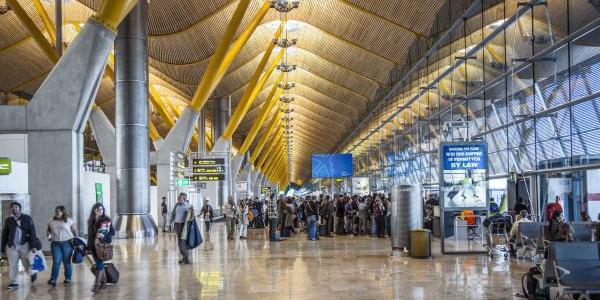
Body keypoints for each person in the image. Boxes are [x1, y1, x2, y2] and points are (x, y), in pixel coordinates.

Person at [1, 201, 41, 290]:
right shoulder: (8, 220)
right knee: (13, 264)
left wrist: (33, 245)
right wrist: (2, 247)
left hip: (24, 245)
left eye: (16, 207)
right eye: (12, 207)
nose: (14, 209)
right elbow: (4, 234)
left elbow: (32, 232)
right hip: (12, 246)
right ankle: (13, 282)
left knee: (26, 262)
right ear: (11, 209)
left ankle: (32, 273)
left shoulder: (27, 218)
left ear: (20, 208)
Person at [46, 205, 78, 287]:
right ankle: (53, 279)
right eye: (56, 210)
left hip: (67, 243)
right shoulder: (51, 220)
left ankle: (68, 278)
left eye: (59, 211)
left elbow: (74, 231)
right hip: (55, 243)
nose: (57, 212)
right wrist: (49, 236)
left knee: (66, 262)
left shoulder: (69, 220)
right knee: (56, 261)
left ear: (63, 212)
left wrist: (76, 241)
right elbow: (48, 231)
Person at [87, 203, 115, 293]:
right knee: (99, 264)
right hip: (93, 245)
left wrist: (103, 235)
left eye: (102, 209)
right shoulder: (91, 220)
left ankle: (97, 285)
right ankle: (104, 283)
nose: (100, 211)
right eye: (98, 209)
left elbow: (112, 232)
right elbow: (90, 235)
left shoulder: (106, 219)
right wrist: (88, 246)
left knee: (99, 263)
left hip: (102, 245)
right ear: (94, 210)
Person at [170, 192, 191, 264]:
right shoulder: (176, 205)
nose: (178, 199)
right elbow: (173, 214)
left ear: (184, 199)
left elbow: (191, 217)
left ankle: (186, 258)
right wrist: (169, 223)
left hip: (183, 226)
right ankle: (184, 258)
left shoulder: (188, 206)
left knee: (182, 243)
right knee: (180, 242)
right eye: (178, 198)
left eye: (180, 198)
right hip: (177, 225)